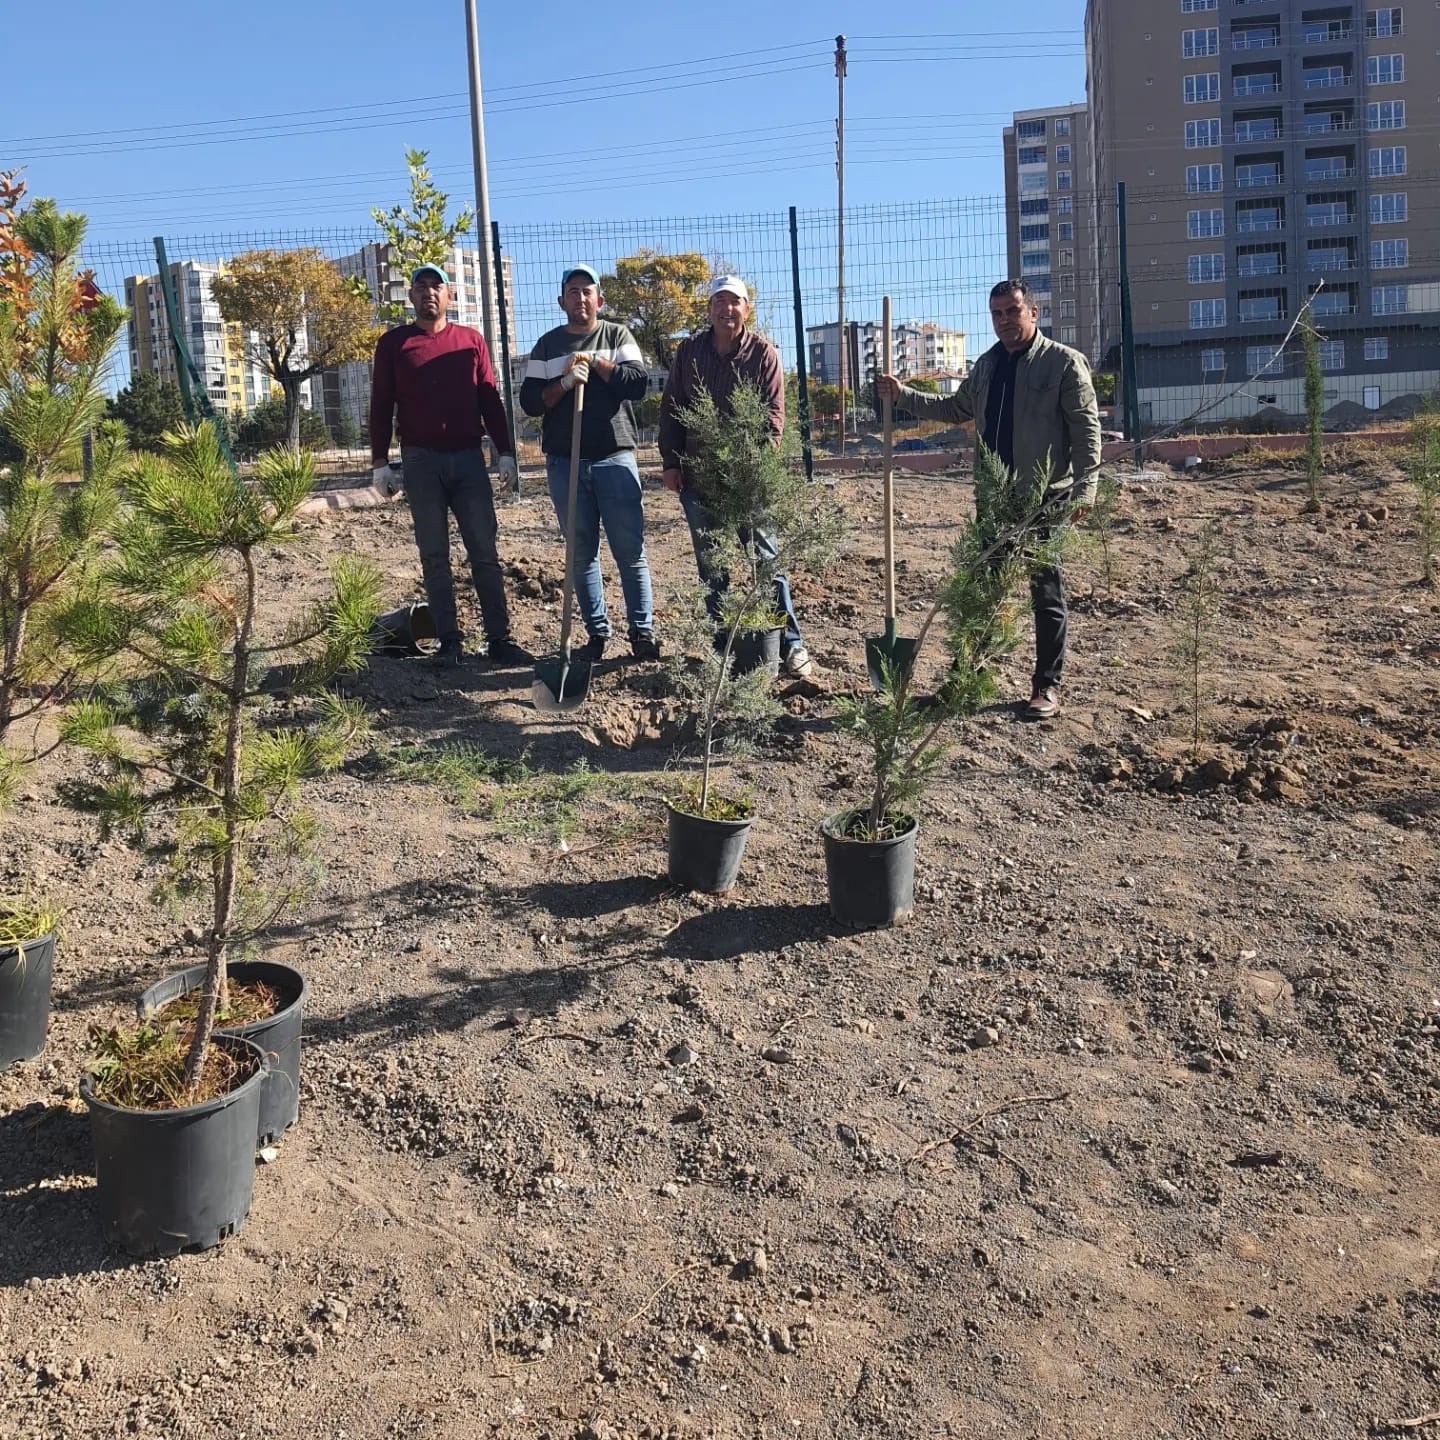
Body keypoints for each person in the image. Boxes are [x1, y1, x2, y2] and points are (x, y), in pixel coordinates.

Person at [877, 278, 1101, 719]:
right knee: (980, 593)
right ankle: (963, 683)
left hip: (1045, 500)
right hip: (996, 500)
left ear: (1033, 312)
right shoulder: (986, 366)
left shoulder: (1064, 364)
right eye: (996, 314)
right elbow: (953, 409)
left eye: (1012, 311)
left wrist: (1085, 489)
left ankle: (1046, 686)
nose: (1004, 321)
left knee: (1046, 594)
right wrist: (903, 395)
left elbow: (1086, 431)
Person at [369, 263, 532, 667]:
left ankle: (499, 639)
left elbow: (489, 398)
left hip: (468, 460)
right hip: (420, 461)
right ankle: (449, 643)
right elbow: (381, 404)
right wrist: (379, 462)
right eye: (421, 286)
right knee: (434, 554)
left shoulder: (470, 341)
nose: (429, 292)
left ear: (449, 296)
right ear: (411, 296)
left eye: (437, 286)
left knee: (484, 551)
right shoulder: (393, 345)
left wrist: (505, 451)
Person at [659, 274, 812, 678]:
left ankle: (791, 644)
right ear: (709, 309)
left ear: (747, 309)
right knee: (712, 567)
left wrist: (754, 468)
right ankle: (721, 647)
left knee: (766, 563)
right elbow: (672, 407)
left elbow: (773, 419)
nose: (727, 309)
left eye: (735, 302)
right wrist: (671, 462)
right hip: (699, 479)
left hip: (748, 484)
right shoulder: (689, 352)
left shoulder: (763, 355)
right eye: (719, 301)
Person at [518, 264, 659, 662]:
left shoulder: (617, 335)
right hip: (565, 462)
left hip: (615, 458)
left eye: (587, 291)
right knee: (580, 554)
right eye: (573, 291)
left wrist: (598, 364)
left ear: (600, 299)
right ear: (561, 301)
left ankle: (642, 632)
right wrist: (564, 382)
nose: (580, 297)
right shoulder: (547, 346)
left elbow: (638, 384)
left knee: (630, 551)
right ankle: (597, 634)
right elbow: (530, 403)